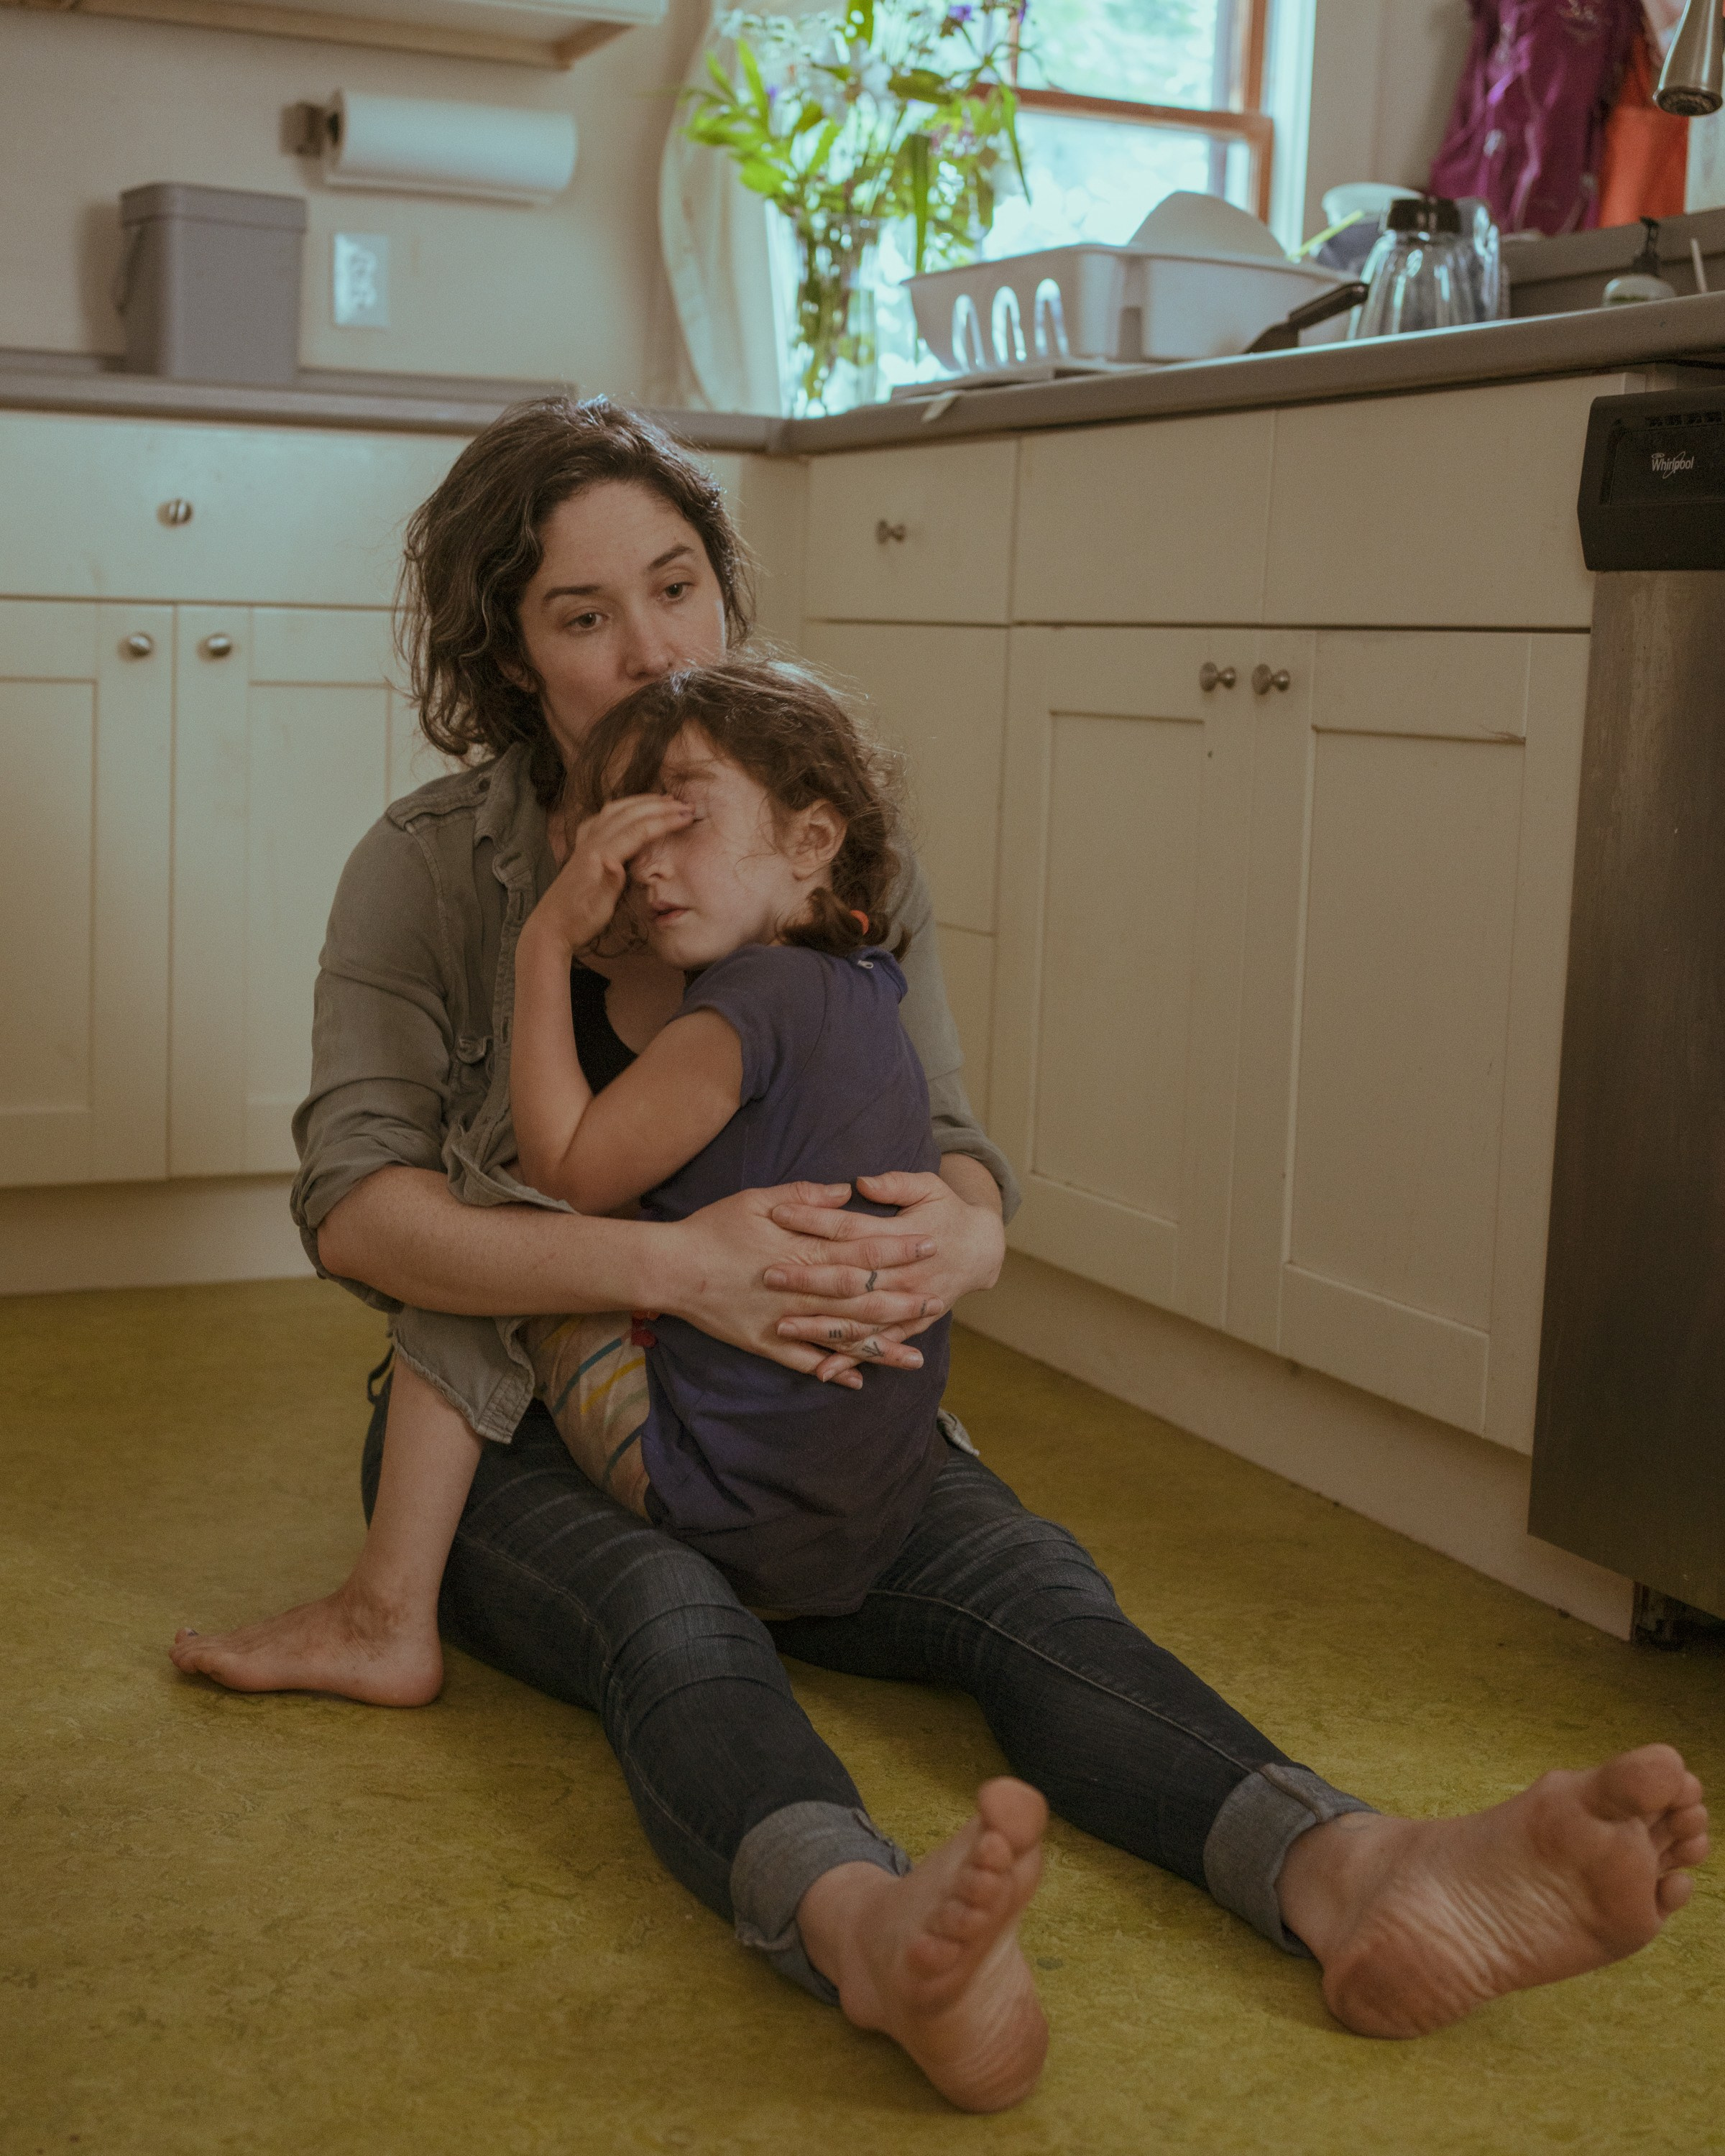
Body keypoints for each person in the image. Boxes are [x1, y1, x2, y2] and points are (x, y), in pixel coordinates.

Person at [171, 397, 1708, 2116]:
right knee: (677, 1624)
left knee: (1032, 1591)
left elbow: (958, 1151)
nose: (648, 646)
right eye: (580, 616)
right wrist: (682, 1274)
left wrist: (955, 1247)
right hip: (528, 1432)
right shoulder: (429, 871)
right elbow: (353, 1206)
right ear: (510, 657)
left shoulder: (808, 827)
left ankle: (1356, 1876)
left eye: (677, 588)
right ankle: (867, 1929)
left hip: (817, 1405)